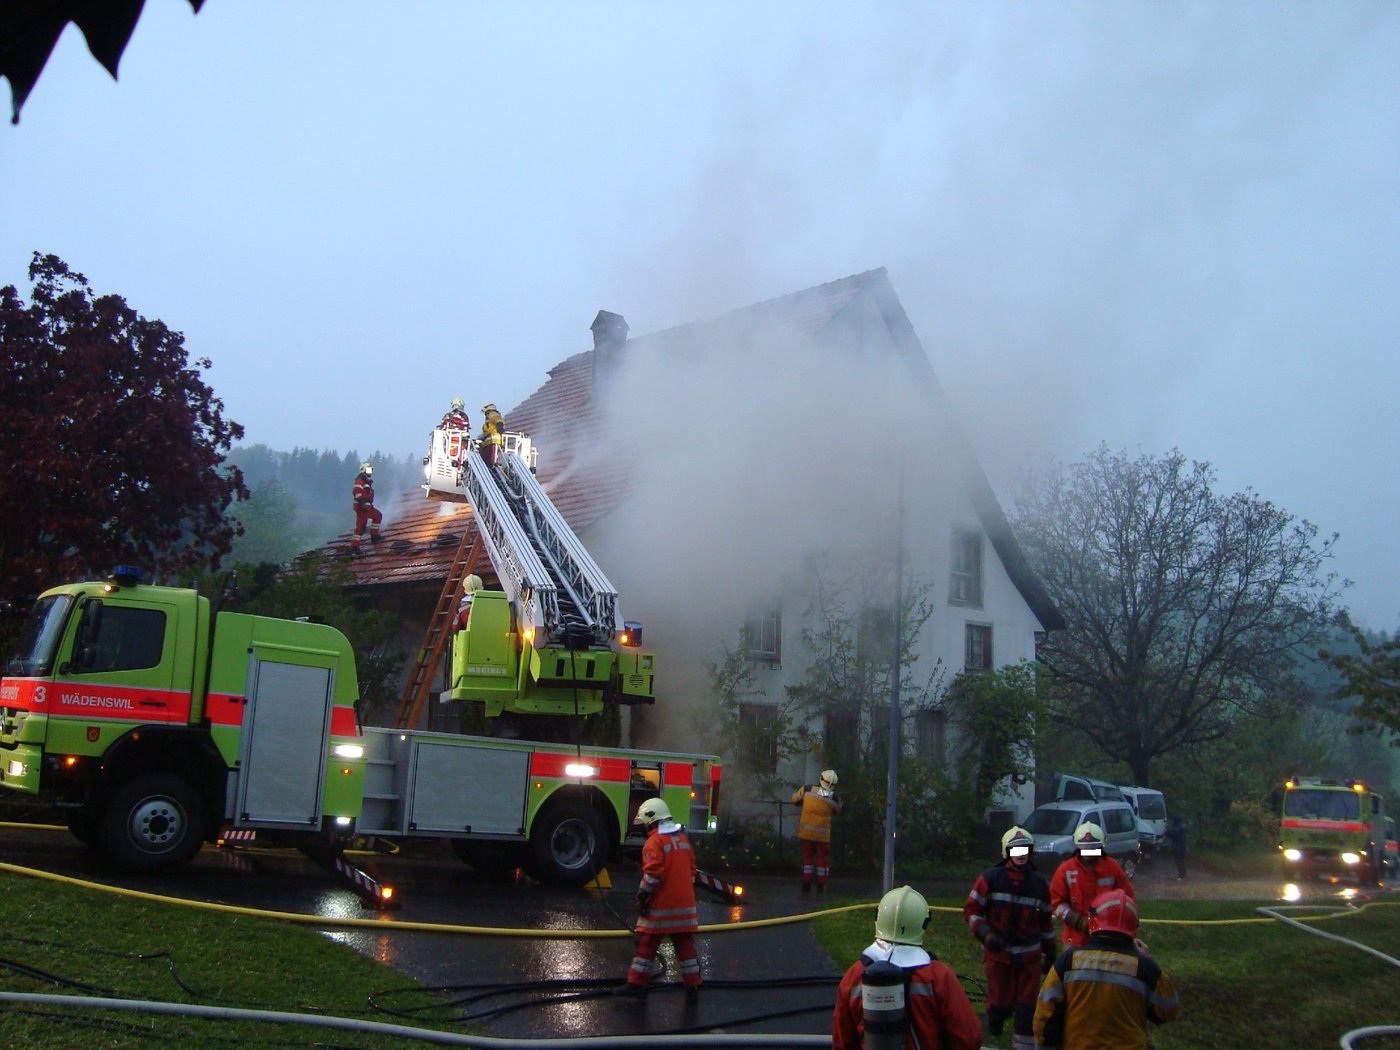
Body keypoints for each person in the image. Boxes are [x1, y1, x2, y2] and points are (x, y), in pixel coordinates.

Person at [832, 885, 983, 1050]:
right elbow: (969, 1038)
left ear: (878, 918)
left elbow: (842, 1042)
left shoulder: (854, 975)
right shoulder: (939, 977)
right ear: (923, 923)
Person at [1033, 888, 1178, 1049]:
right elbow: (1168, 1010)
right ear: (1133, 927)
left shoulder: (1068, 962)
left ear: (1092, 920)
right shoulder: (1143, 967)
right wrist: (1146, 960)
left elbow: (1044, 1017)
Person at [964, 826, 1057, 1050]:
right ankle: (995, 1021)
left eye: (1025, 850)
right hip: (999, 956)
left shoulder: (1039, 884)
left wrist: (1051, 951)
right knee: (998, 1007)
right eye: (1016, 850)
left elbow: (1045, 921)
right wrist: (986, 935)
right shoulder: (990, 879)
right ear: (1007, 853)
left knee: (1026, 1010)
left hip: (1029, 959)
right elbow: (972, 911)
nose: (1021, 854)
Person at [616, 797, 701, 1002]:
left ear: (651, 820)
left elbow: (653, 875)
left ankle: (637, 984)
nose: (645, 827)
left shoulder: (654, 842)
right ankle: (693, 986)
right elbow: (692, 872)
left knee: (646, 944)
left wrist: (642, 896)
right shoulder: (682, 840)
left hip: (661, 907)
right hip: (685, 909)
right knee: (686, 949)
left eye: (645, 823)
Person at [1048, 822, 1134, 948]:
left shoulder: (1112, 867)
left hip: (1108, 937)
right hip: (1076, 938)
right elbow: (1055, 902)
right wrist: (1077, 920)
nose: (1088, 853)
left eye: (1092, 848)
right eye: (1085, 848)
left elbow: (1127, 899)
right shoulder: (1066, 869)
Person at [791, 769, 842, 895]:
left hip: (806, 834)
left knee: (806, 859)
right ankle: (820, 887)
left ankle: (806, 887)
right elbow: (838, 810)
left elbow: (794, 799)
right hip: (823, 837)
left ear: (821, 779)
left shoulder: (807, 789)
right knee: (822, 861)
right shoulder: (834, 798)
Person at [350, 462, 382, 554]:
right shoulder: (359, 481)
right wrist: (363, 503)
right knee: (361, 526)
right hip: (361, 507)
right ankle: (354, 546)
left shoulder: (365, 481)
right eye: (369, 470)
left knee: (378, 516)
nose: (370, 472)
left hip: (367, 507)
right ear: (364, 470)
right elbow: (357, 493)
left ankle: (374, 536)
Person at [1165, 814, 1187, 880]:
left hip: (1179, 847)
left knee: (1179, 861)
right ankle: (1182, 874)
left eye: (1174, 820)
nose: (1173, 822)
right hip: (1181, 846)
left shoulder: (1179, 827)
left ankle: (1181, 876)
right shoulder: (1181, 826)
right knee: (1181, 861)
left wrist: (1166, 831)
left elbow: (1174, 834)